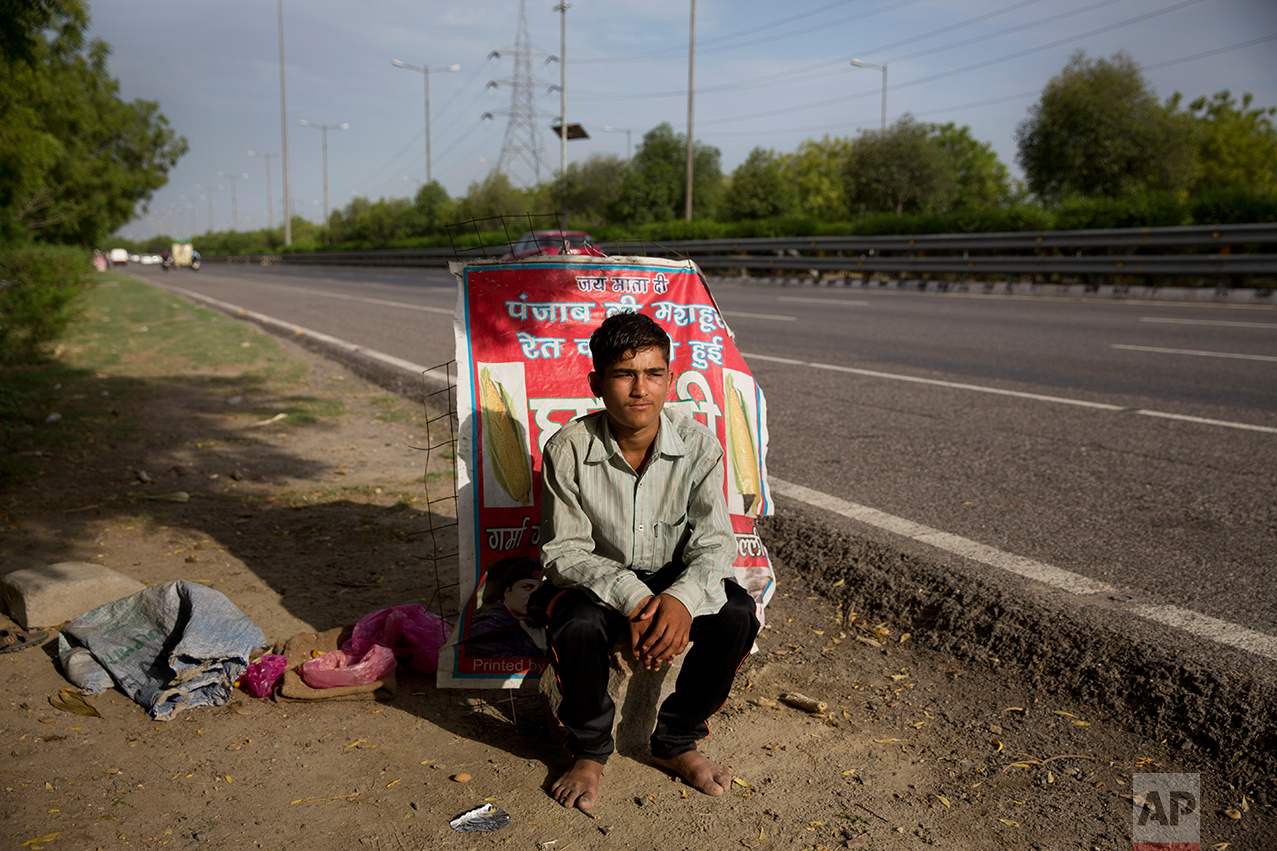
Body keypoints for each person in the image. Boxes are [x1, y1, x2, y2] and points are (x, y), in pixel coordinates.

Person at [528, 311, 759, 813]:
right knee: (577, 623)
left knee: (738, 614)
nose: (640, 389)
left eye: (654, 374)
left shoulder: (698, 446)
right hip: (599, 583)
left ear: (670, 380)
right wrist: (634, 600)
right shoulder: (568, 449)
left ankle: (676, 741)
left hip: (671, 577)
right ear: (597, 383)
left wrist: (677, 600)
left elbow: (714, 543)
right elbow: (562, 552)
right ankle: (589, 753)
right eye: (624, 374)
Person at [458, 557, 549, 659]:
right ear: (508, 592)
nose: (534, 595)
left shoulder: (538, 625)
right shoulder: (488, 627)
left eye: (540, 590)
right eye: (526, 587)